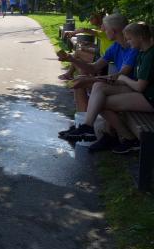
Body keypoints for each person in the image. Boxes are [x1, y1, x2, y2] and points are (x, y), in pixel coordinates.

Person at [65, 22, 154, 153]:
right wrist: (93, 78)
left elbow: (139, 86)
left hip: (149, 97)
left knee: (100, 102)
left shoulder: (149, 55)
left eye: (130, 39)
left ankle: (128, 139)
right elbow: (124, 79)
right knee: (98, 87)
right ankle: (88, 127)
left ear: (140, 38)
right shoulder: (142, 52)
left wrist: (123, 79)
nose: (128, 42)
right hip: (141, 92)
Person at [59, 14, 138, 140]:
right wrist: (72, 59)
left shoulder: (133, 49)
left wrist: (89, 79)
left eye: (105, 29)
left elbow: (120, 76)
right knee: (81, 84)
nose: (104, 31)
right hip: (120, 85)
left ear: (113, 31)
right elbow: (94, 67)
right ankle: (83, 125)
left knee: (97, 90)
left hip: (132, 88)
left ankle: (92, 130)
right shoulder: (116, 46)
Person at [59, 11, 106, 80]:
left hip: (101, 59)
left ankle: (71, 74)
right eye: (90, 18)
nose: (90, 20)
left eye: (92, 18)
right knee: (77, 59)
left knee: (77, 54)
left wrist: (73, 33)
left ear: (99, 19)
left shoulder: (104, 33)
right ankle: (75, 76)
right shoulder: (102, 31)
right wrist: (89, 44)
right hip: (100, 57)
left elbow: (84, 30)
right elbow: (101, 47)